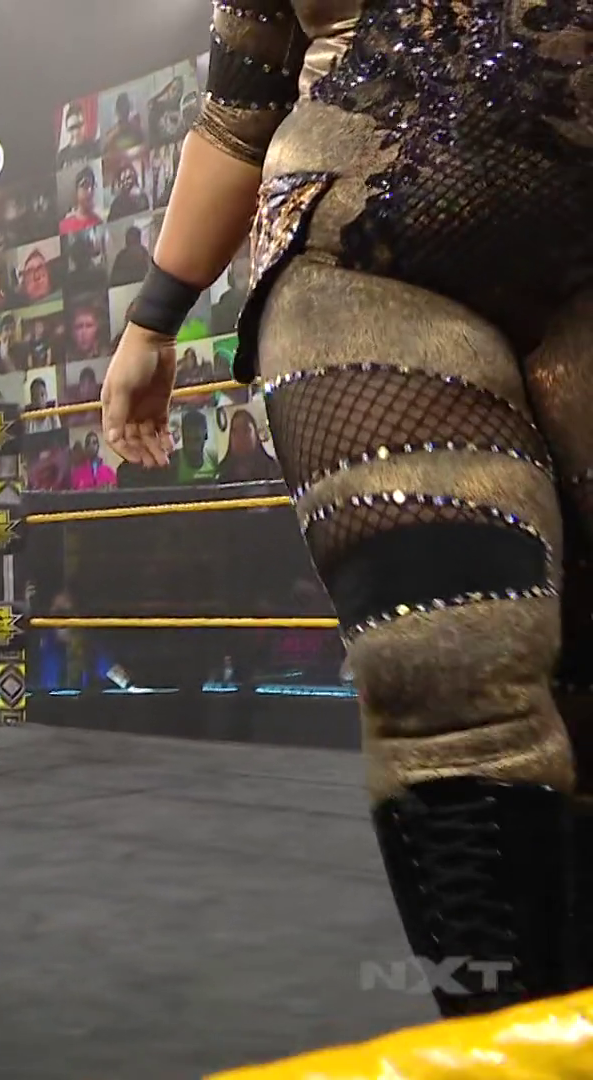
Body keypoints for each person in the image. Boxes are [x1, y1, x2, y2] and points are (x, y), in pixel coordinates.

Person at [99, 0, 593, 1018]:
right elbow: (240, 110)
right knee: (444, 670)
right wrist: (150, 322)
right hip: (358, 252)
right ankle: (505, 1047)